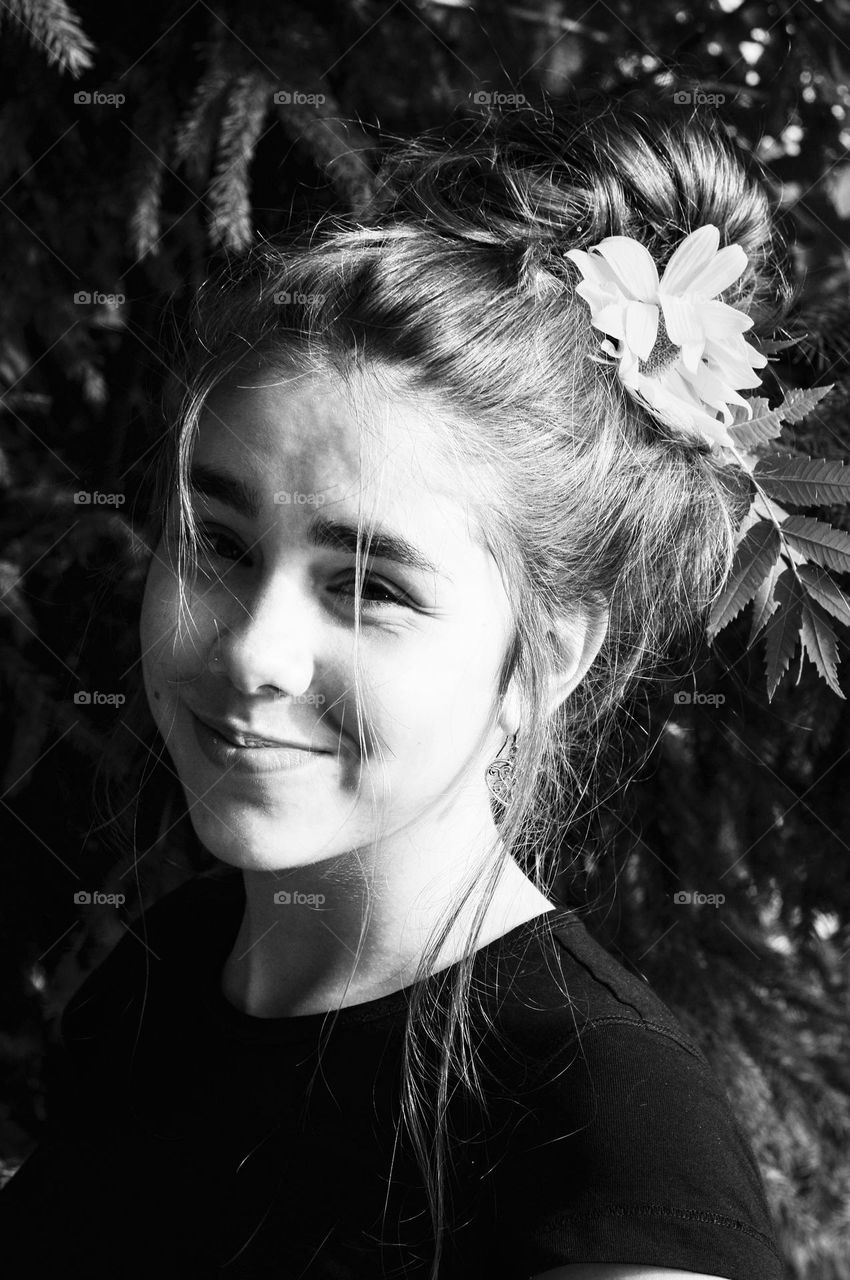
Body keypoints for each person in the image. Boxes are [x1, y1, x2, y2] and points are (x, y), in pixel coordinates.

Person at [0, 98, 789, 1279]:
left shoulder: (612, 1147)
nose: (251, 651)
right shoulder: (165, 974)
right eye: (217, 541)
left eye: (369, 587)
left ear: (549, 656)